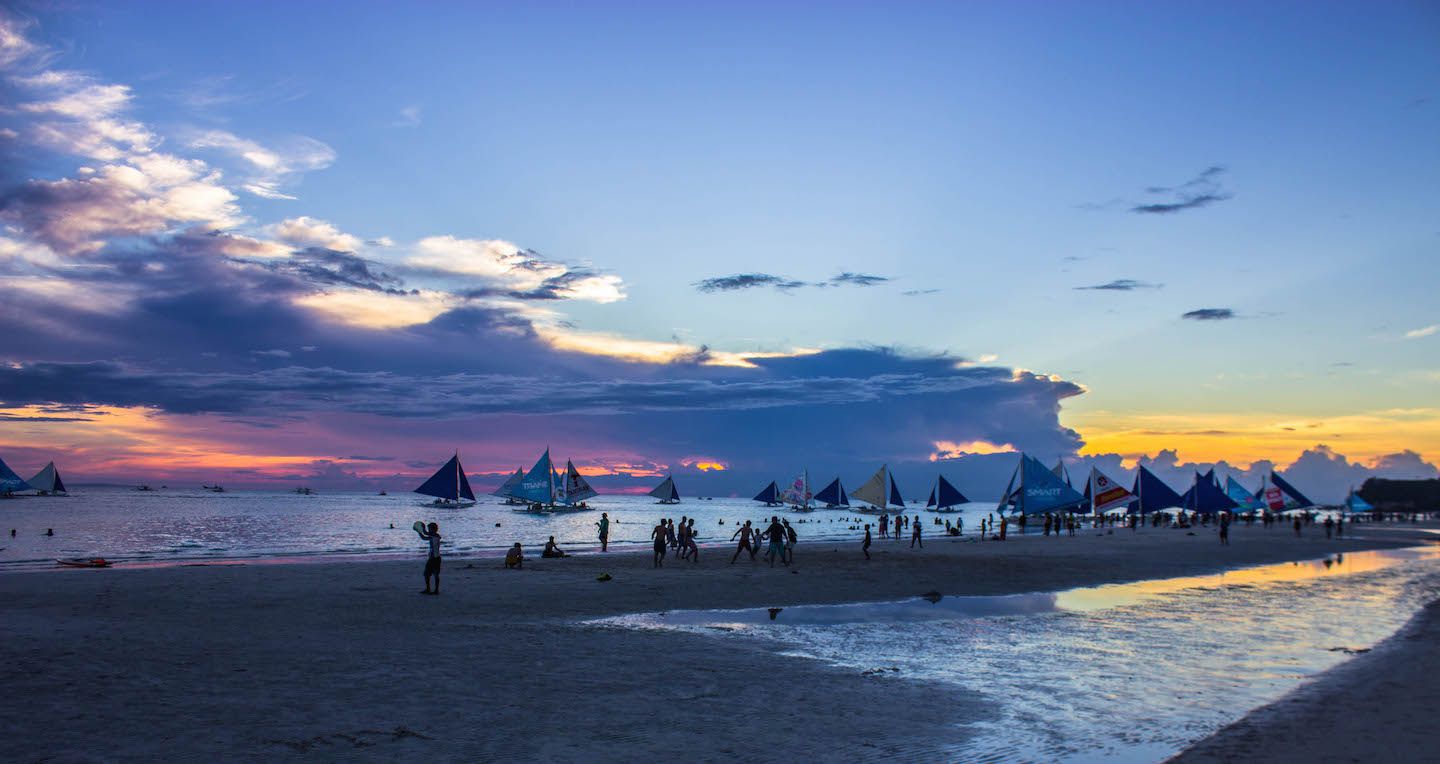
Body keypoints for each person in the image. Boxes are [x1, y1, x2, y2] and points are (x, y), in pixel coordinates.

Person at [415, 522, 442, 594]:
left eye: (429, 529)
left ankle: (429, 589)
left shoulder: (434, 535)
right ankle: (435, 590)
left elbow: (424, 535)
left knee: (427, 574)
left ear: (433, 529)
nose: (428, 530)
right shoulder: (436, 535)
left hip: (433, 558)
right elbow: (425, 535)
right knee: (435, 574)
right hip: (436, 557)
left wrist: (420, 530)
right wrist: (421, 530)